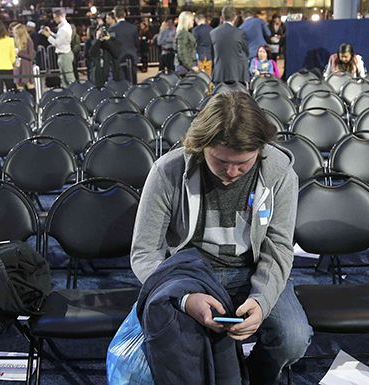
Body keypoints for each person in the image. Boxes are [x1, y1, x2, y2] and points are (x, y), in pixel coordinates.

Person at [131, 91, 312, 385]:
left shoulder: (279, 173)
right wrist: (184, 298)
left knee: (292, 338)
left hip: (251, 269)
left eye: (243, 164)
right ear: (201, 146)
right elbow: (144, 251)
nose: (231, 172)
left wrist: (261, 301)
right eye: (220, 161)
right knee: (176, 342)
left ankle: (251, 377)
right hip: (190, 273)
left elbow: (278, 248)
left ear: (260, 150)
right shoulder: (168, 171)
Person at [211, 6, 249, 84]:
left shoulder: (213, 33)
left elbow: (212, 54)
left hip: (219, 74)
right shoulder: (240, 33)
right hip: (237, 74)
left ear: (222, 17)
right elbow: (246, 52)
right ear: (235, 18)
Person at [43, 9, 76, 87]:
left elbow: (57, 43)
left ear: (60, 16)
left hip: (65, 55)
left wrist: (48, 36)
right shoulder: (63, 27)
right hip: (63, 55)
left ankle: (76, 94)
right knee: (63, 79)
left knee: (69, 78)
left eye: (55, 18)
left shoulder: (64, 28)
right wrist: (50, 33)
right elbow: (59, 38)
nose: (54, 20)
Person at [110, 5, 140, 83]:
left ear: (115, 15)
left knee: (122, 85)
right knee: (133, 83)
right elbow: (137, 43)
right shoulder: (133, 27)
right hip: (132, 58)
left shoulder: (112, 29)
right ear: (125, 14)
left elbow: (112, 45)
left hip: (119, 60)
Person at [12, 23, 35, 98]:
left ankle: (33, 104)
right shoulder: (14, 41)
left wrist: (19, 53)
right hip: (17, 67)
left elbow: (31, 57)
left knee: (30, 86)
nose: (14, 34)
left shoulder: (29, 41)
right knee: (19, 87)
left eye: (16, 32)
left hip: (26, 67)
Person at [175, 11, 199, 75]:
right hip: (186, 69)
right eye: (192, 20)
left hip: (188, 67)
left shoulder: (187, 32)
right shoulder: (182, 33)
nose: (193, 22)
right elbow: (182, 53)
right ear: (187, 21)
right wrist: (191, 66)